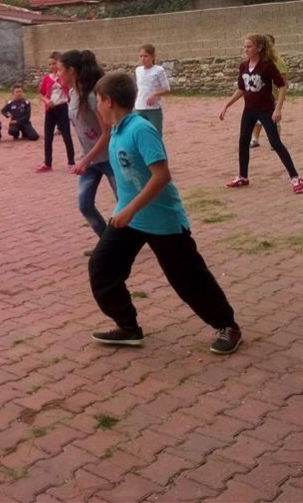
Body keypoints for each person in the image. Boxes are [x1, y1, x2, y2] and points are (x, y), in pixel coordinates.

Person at [89, 71, 243, 354]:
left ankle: (228, 326)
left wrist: (130, 210)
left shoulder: (140, 129)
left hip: (162, 220)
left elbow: (161, 176)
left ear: (109, 101)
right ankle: (128, 327)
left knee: (188, 279)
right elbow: (128, 179)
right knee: (102, 267)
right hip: (130, 218)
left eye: (98, 100)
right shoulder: (117, 131)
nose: (96, 105)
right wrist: (124, 210)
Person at [219, 34, 303, 194]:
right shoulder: (243, 66)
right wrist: (227, 105)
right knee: (243, 142)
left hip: (266, 110)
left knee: (275, 142)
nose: (246, 49)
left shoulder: (267, 66)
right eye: (244, 46)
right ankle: (243, 177)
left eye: (249, 46)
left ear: (259, 48)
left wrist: (278, 109)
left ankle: (295, 177)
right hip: (249, 110)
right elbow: (241, 89)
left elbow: (282, 86)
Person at [58, 50, 117, 250]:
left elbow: (107, 133)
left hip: (109, 158)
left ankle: (150, 237)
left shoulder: (92, 97)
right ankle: (107, 244)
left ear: (71, 70)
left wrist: (85, 160)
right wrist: (84, 158)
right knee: (85, 204)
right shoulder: (73, 94)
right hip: (91, 160)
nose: (57, 74)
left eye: (59, 69)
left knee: (125, 203)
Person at [250, 34, 287, 149]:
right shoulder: (257, 61)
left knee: (273, 118)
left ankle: (275, 142)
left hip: (272, 96)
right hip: (258, 96)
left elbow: (283, 81)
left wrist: (278, 95)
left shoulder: (278, 61)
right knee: (256, 118)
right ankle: (255, 139)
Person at [134, 44, 170, 134]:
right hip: (139, 107)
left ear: (153, 57)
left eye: (146, 56)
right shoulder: (138, 70)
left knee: (155, 134)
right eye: (141, 56)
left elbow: (166, 89)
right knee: (140, 133)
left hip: (153, 108)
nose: (143, 59)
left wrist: (155, 94)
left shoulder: (159, 70)